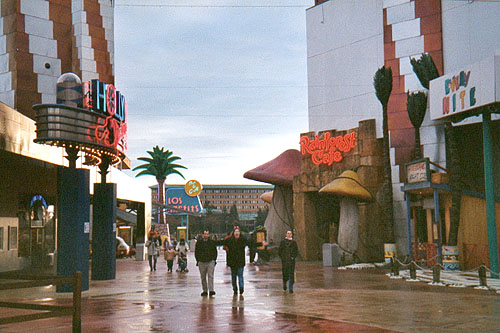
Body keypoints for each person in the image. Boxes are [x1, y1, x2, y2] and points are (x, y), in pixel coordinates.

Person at [224, 227, 266, 295]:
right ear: (233, 233)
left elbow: (251, 244)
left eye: (238, 232)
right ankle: (235, 288)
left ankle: (241, 288)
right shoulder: (229, 240)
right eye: (235, 232)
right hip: (232, 261)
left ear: (239, 233)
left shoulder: (242, 240)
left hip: (240, 261)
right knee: (233, 276)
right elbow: (220, 242)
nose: (237, 233)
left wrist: (261, 244)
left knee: (240, 275)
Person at [195, 230, 218, 297]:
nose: (206, 235)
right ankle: (205, 290)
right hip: (201, 262)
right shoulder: (199, 243)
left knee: (210, 276)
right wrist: (198, 260)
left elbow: (215, 251)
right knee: (203, 277)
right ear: (202, 235)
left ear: (209, 235)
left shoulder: (212, 242)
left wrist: (214, 260)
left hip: (210, 261)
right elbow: (196, 252)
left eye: (207, 234)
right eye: (205, 234)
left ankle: (211, 290)